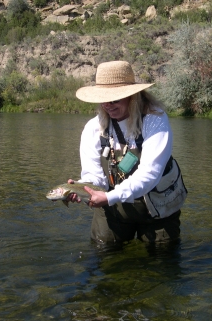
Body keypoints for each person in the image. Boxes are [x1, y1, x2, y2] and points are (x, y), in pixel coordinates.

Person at [68, 60, 181, 244]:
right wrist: (83, 188)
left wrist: (109, 197)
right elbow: (96, 178)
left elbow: (150, 174)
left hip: (158, 205)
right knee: (104, 252)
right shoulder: (93, 129)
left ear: (133, 97)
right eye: (103, 100)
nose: (108, 105)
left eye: (115, 99)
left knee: (161, 260)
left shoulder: (155, 120)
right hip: (114, 206)